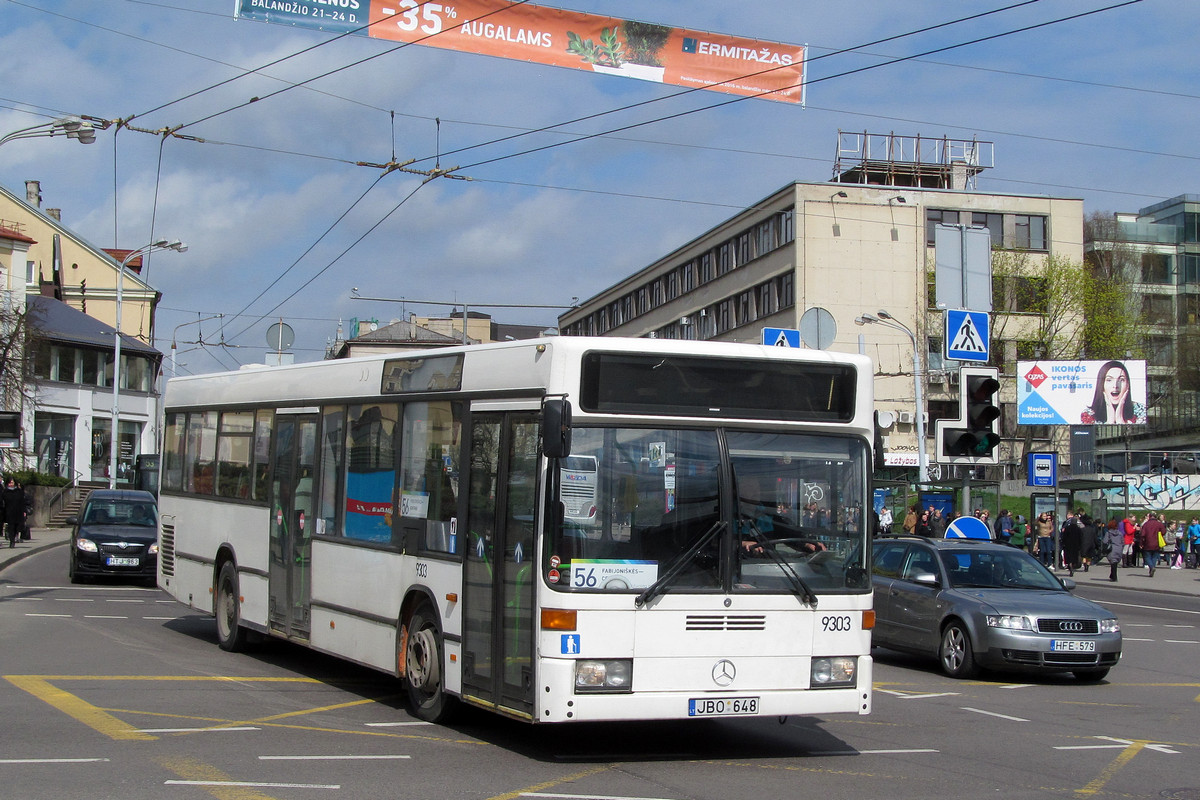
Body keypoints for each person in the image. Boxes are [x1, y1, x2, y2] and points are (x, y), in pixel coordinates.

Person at [1080, 360, 1146, 424]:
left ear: (1127, 385)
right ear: (1101, 385)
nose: (1115, 385)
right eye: (1109, 380)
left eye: (1121, 380)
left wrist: (1119, 418)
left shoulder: (1142, 410)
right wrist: (1110, 421)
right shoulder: (1088, 414)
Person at [2, 477, 26, 548]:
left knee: (17, 526)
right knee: (11, 526)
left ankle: (15, 535)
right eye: (9, 483)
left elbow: (22, 502)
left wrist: (24, 511)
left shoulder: (19, 491)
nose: (11, 484)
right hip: (9, 511)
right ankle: (12, 541)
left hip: (18, 511)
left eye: (12, 482)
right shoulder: (5, 492)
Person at [1139, 511, 1165, 577]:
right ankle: (1152, 567)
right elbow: (1164, 531)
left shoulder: (1146, 524)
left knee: (1147, 556)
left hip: (1147, 543)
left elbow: (1142, 534)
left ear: (1150, 516)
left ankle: (1151, 567)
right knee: (1154, 556)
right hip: (1156, 543)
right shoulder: (1159, 524)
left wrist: (1141, 543)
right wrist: (1159, 533)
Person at [1060, 509, 1083, 577]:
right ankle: (1073, 565)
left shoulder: (1067, 528)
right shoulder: (1078, 529)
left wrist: (1063, 543)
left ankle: (1070, 566)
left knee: (1069, 557)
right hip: (1076, 545)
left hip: (1068, 545)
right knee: (1074, 557)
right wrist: (1080, 545)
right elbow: (1081, 537)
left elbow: (1064, 536)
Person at [1101, 518, 1124, 582]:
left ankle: (1114, 577)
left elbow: (1105, 541)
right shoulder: (1120, 533)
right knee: (1115, 563)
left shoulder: (1108, 533)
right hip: (1119, 549)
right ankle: (1112, 575)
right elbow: (1122, 542)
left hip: (1112, 549)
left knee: (1113, 563)